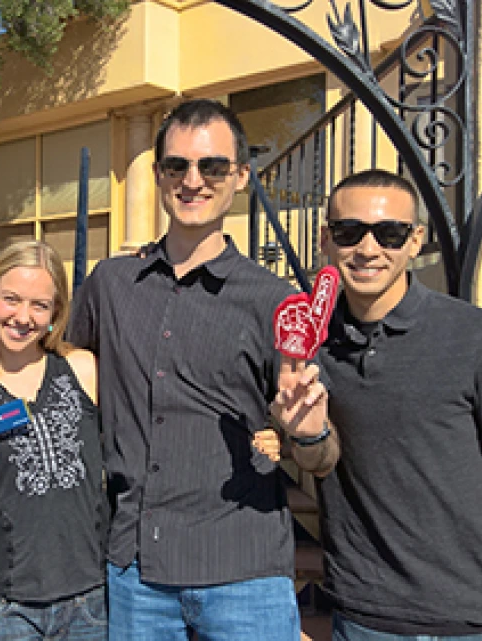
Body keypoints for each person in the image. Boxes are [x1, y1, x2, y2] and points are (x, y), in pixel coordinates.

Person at [66, 98, 336, 641]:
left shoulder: (274, 302)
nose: (194, 180)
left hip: (244, 571)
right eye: (177, 166)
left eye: (212, 167)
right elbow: (54, 367)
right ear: (158, 174)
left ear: (239, 175)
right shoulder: (111, 285)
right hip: (136, 572)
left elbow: (322, 459)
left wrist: (311, 436)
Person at [304, 169, 482, 641]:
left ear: (415, 241)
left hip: (469, 620)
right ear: (326, 241)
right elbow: (317, 454)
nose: (368, 249)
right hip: (361, 618)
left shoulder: (477, 335)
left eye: (390, 234)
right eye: (349, 231)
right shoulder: (312, 344)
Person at [0, 240, 106, 640]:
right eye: (12, 299)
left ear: (55, 313)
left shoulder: (81, 369)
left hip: (89, 599)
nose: (23, 317)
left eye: (39, 305)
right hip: (5, 605)